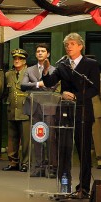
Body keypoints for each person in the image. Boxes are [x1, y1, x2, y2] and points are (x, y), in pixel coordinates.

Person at [42, 33, 100, 197]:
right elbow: (49, 82)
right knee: (64, 151)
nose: (69, 47)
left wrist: (76, 96)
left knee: (83, 152)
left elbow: (94, 88)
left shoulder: (91, 64)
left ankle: (84, 188)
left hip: (83, 113)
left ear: (80, 46)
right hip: (65, 113)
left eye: (72, 44)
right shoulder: (62, 65)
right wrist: (46, 71)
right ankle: (64, 187)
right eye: (67, 44)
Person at [21, 43, 60, 178]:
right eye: (38, 51)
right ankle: (39, 166)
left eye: (43, 51)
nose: (40, 53)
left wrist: (37, 86)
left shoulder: (54, 69)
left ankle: (53, 167)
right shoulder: (30, 70)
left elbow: (52, 87)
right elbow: (23, 85)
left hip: (49, 107)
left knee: (50, 138)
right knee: (37, 138)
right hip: (34, 107)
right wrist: (39, 83)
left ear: (48, 54)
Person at [2, 48, 30, 172]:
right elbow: (6, 92)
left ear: (24, 61)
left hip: (25, 110)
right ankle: (13, 162)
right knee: (12, 138)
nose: (17, 61)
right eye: (15, 58)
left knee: (25, 139)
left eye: (20, 59)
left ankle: (25, 162)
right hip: (12, 109)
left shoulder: (30, 72)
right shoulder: (8, 74)